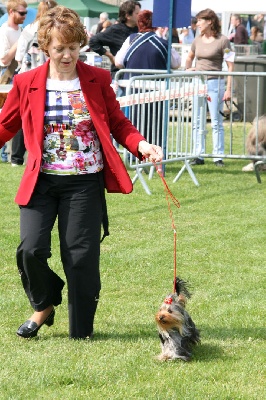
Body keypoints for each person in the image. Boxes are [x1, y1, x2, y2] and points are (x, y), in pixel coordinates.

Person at [0, 6, 163, 340]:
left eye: (73, 48)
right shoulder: (26, 82)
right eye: (59, 48)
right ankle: (44, 304)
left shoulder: (97, 79)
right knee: (30, 250)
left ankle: (81, 331)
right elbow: (6, 125)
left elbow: (117, 122)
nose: (67, 55)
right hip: (41, 181)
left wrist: (141, 144)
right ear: (45, 47)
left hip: (84, 183)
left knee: (80, 257)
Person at [115, 10, 181, 146]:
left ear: (139, 23)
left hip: (133, 90)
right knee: (156, 124)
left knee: (134, 122)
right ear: (156, 24)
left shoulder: (131, 39)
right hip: (157, 91)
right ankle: (156, 154)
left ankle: (134, 154)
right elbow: (177, 63)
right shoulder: (163, 43)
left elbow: (118, 62)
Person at [10, 1, 58, 168]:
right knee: (47, 116)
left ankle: (16, 158)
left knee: (23, 117)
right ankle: (42, 156)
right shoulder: (55, 29)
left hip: (28, 78)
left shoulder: (29, 29)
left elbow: (18, 57)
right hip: (48, 78)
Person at [186, 8, 235, 167]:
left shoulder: (223, 40)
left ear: (210, 21)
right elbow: (189, 57)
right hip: (198, 82)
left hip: (216, 83)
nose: (197, 23)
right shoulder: (197, 39)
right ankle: (197, 154)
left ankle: (217, 156)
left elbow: (230, 64)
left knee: (216, 121)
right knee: (197, 120)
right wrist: (188, 70)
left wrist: (228, 89)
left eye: (200, 20)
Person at [0, 0, 27, 163]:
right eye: (21, 13)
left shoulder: (21, 30)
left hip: (16, 74)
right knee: (4, 114)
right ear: (11, 12)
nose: (24, 16)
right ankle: (2, 154)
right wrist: (19, 43)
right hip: (5, 74)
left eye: (25, 13)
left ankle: (8, 154)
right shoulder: (4, 31)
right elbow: (4, 58)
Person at [89, 0, 141, 78]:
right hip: (120, 76)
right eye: (137, 13)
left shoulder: (140, 29)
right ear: (128, 16)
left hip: (136, 75)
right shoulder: (115, 30)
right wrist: (110, 56)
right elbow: (93, 41)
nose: (140, 15)